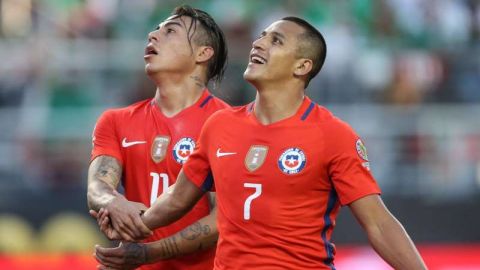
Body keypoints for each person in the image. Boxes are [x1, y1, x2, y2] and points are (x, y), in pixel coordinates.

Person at [98, 16, 427, 269]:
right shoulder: (220, 125)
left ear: (302, 66)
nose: (259, 44)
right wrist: (132, 224)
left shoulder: (333, 135)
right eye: (261, 37)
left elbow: (379, 223)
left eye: (276, 41)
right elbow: (176, 199)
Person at [87, 5, 228, 270]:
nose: (152, 36)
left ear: (203, 53)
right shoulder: (115, 120)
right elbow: (98, 188)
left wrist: (148, 252)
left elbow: (223, 219)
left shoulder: (228, 124)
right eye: (155, 30)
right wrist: (114, 205)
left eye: (170, 31)